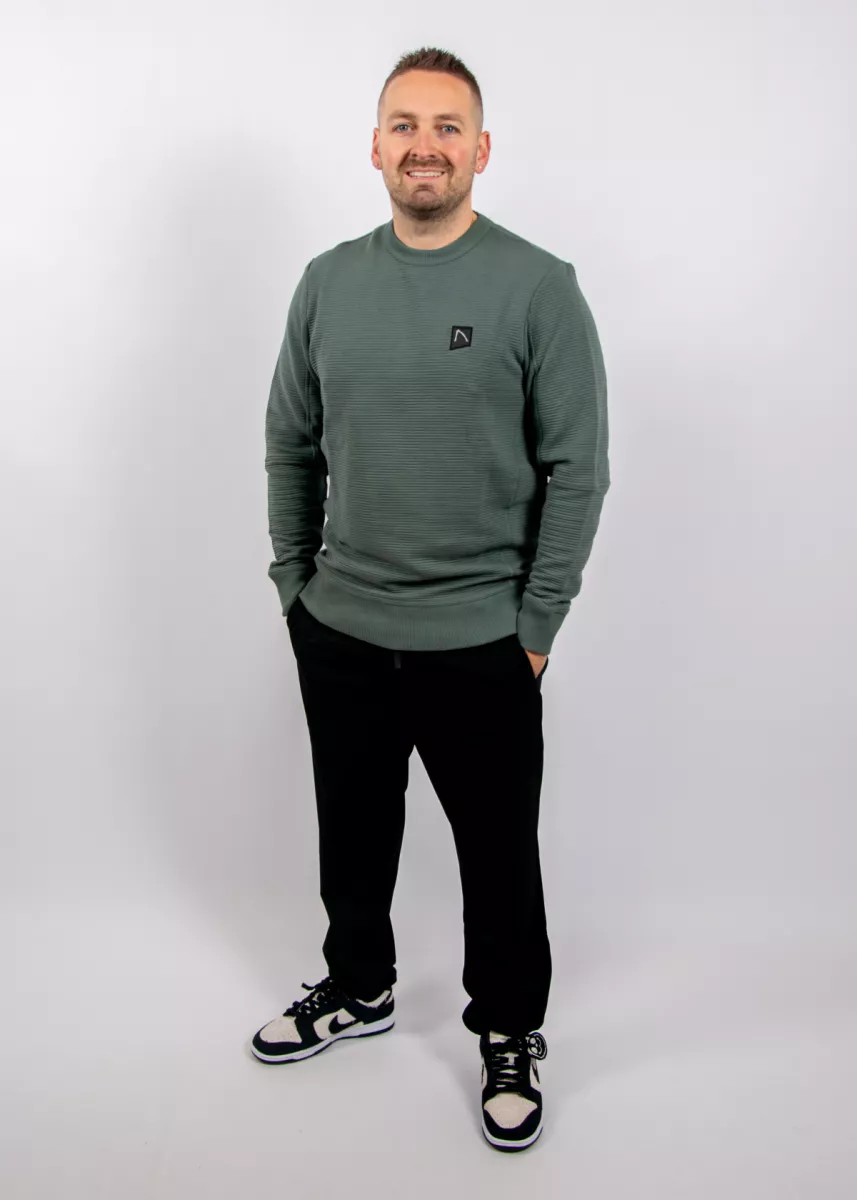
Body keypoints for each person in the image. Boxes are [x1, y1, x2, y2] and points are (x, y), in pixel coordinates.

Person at [251, 45, 610, 1153]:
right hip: (343, 627)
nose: (424, 146)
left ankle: (508, 1028)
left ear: (481, 151)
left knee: (497, 856)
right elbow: (289, 441)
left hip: (480, 640)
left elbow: (578, 468)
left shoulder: (536, 287)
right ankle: (358, 985)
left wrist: (535, 627)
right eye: (404, 125)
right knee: (351, 836)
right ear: (374, 147)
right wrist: (294, 586)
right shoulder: (327, 283)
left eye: (447, 127)